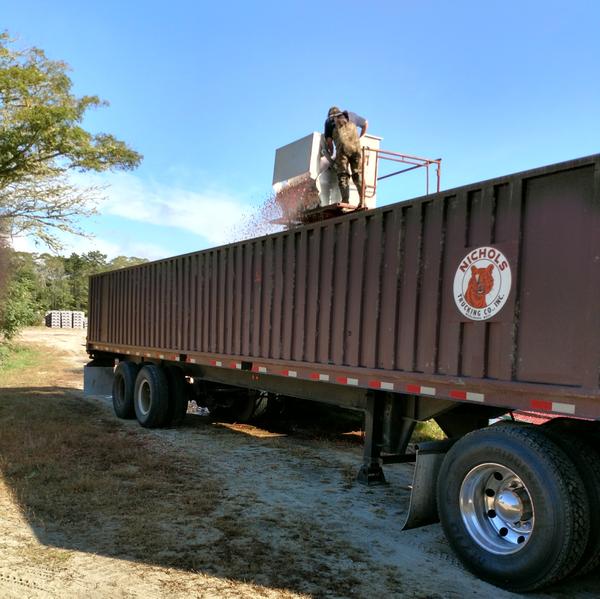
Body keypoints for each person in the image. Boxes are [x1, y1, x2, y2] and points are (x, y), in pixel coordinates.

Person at [324, 106, 368, 206]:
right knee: (358, 174)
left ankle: (345, 200)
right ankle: (363, 201)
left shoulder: (329, 122)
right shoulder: (351, 115)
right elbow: (365, 123)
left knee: (343, 175)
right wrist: (361, 137)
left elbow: (329, 141)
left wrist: (330, 153)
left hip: (342, 151)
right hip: (356, 149)